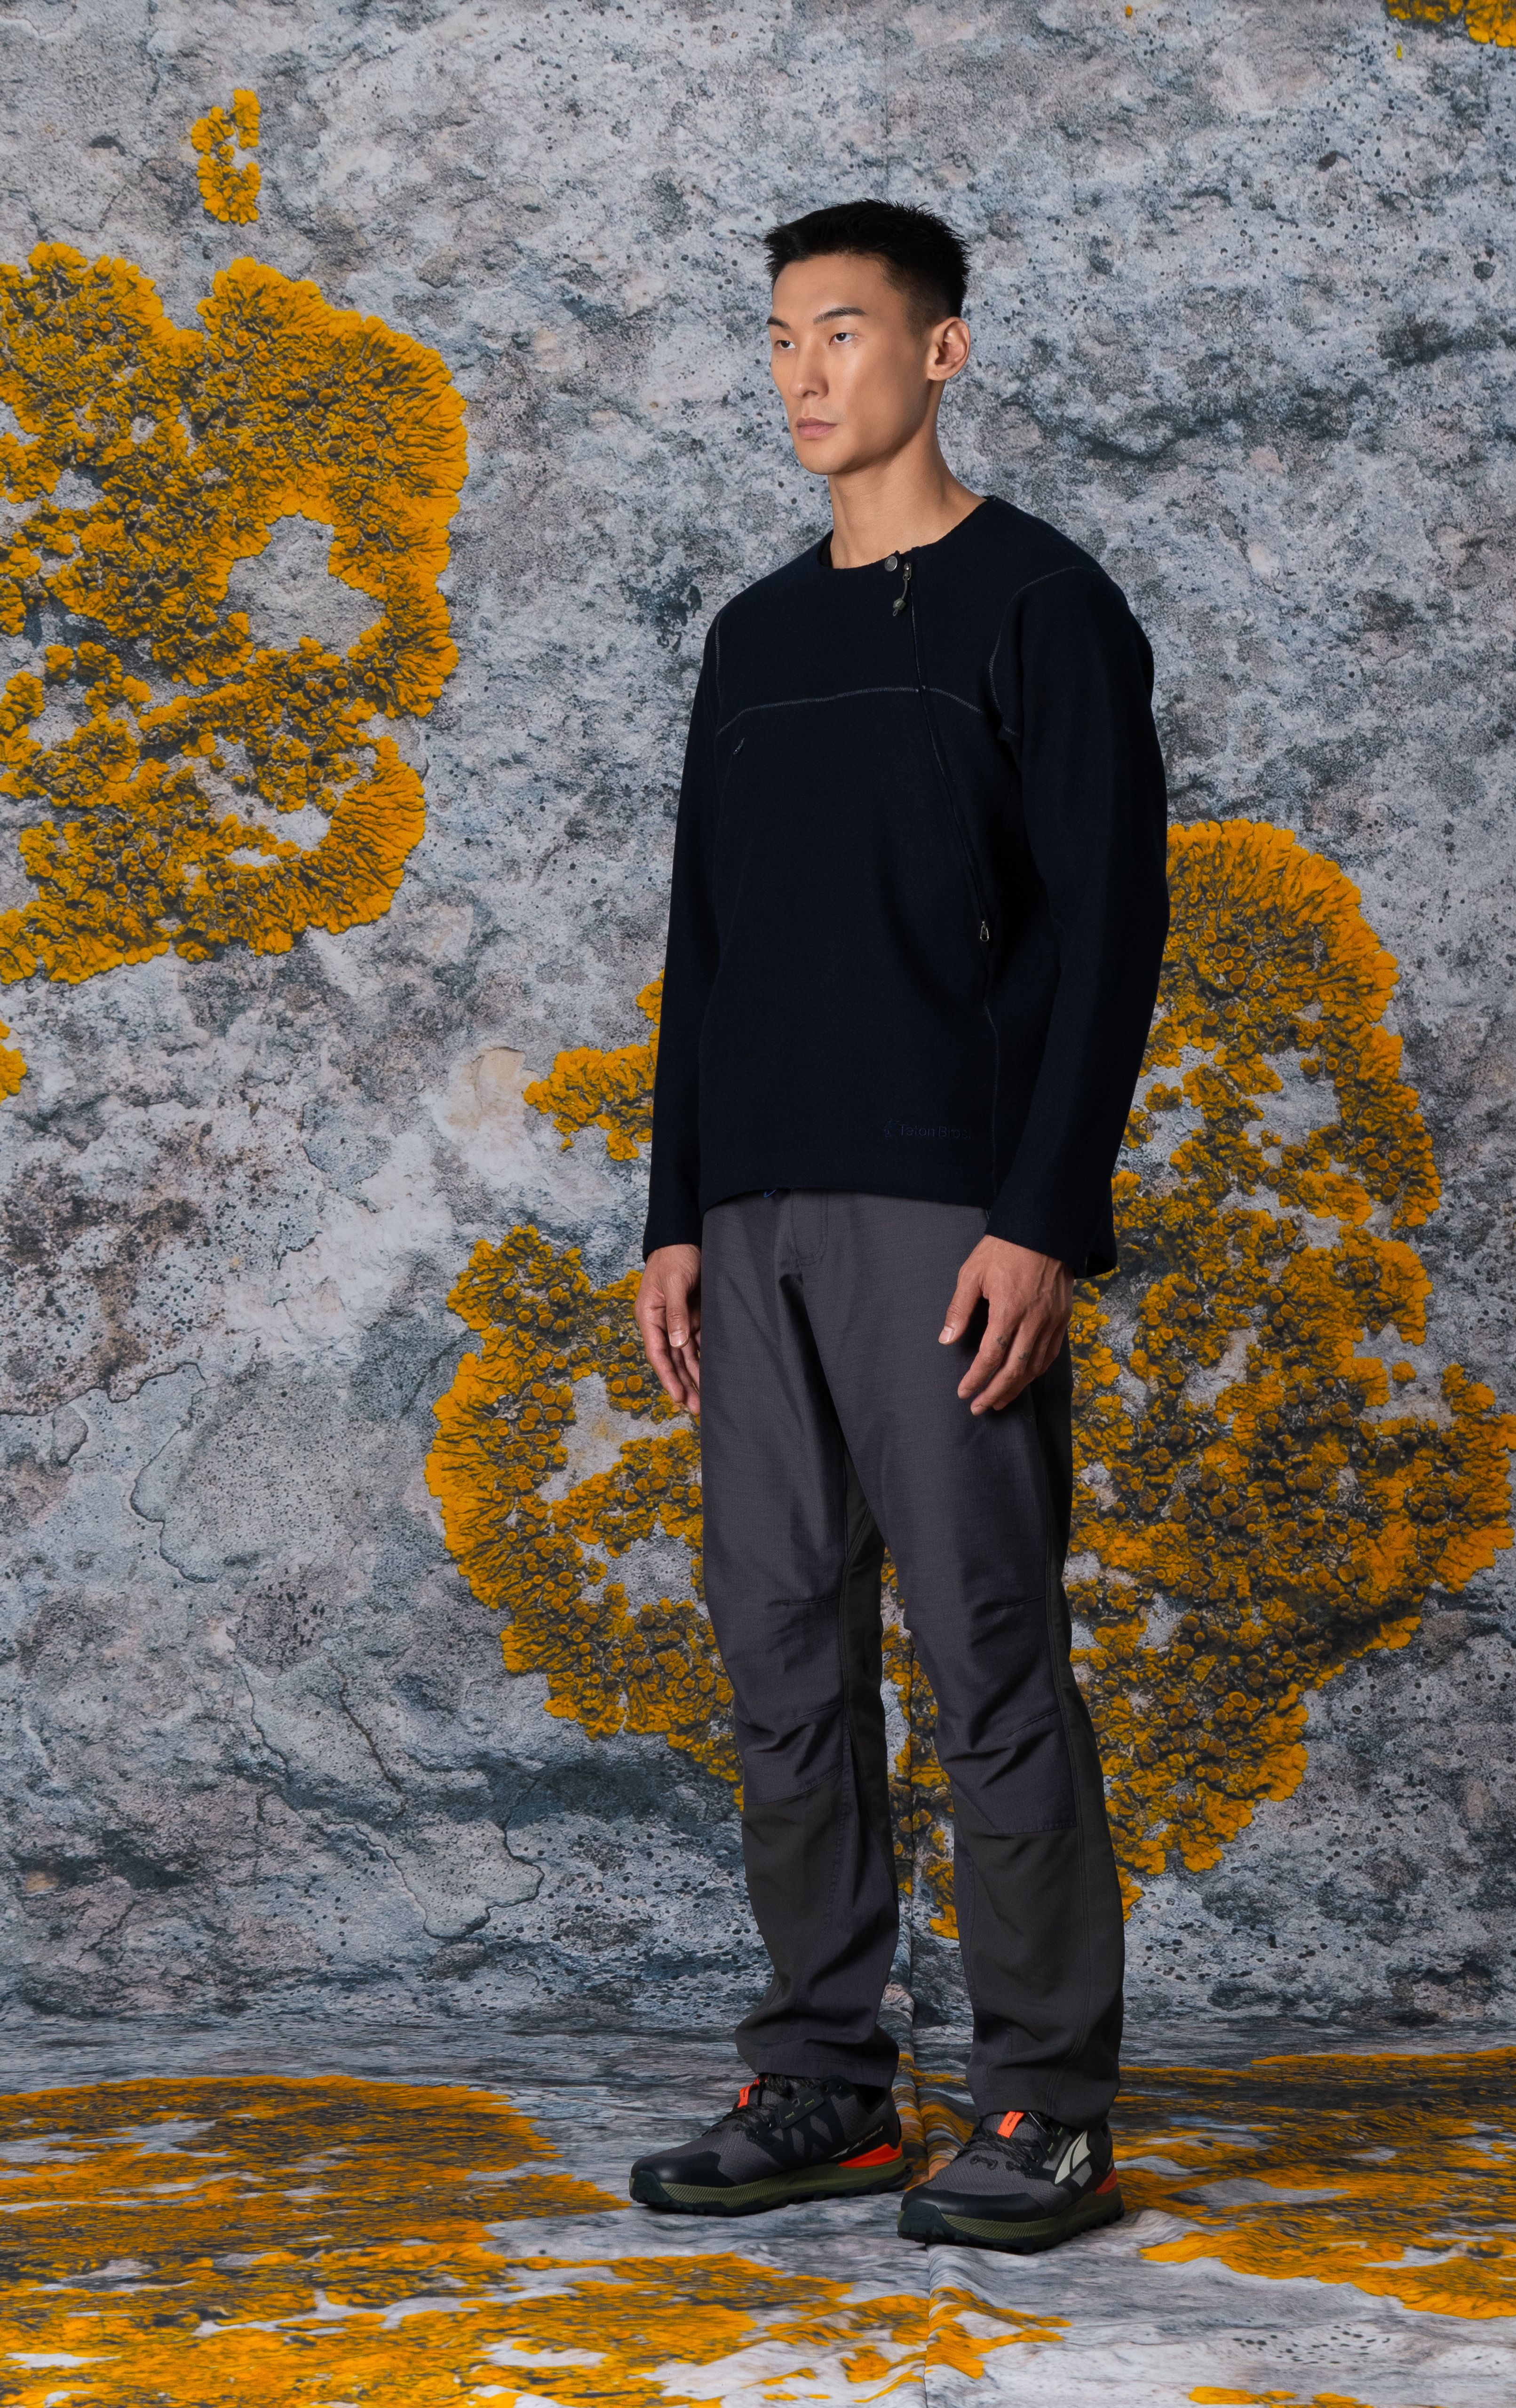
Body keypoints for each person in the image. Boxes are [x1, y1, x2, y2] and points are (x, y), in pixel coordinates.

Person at [627, 198, 1170, 2255]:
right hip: (750, 1215)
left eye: (842, 332)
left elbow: (1109, 933)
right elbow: (704, 942)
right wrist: (675, 1212)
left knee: (985, 1648)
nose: (802, 373)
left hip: (945, 1215)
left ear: (940, 352)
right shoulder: (755, 640)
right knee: (778, 1650)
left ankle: (1044, 2103)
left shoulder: (1044, 605)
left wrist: (1042, 1218)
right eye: (781, 336)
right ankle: (827, 2085)